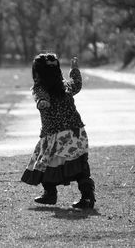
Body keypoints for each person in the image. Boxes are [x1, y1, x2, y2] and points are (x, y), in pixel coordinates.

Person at [21, 52, 95, 209]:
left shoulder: (39, 88)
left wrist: (42, 102)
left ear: (37, 73)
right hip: (77, 132)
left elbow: (41, 97)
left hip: (55, 135)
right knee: (80, 166)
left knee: (44, 163)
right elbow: (76, 84)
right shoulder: (65, 86)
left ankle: (50, 194)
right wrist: (74, 70)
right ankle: (87, 198)